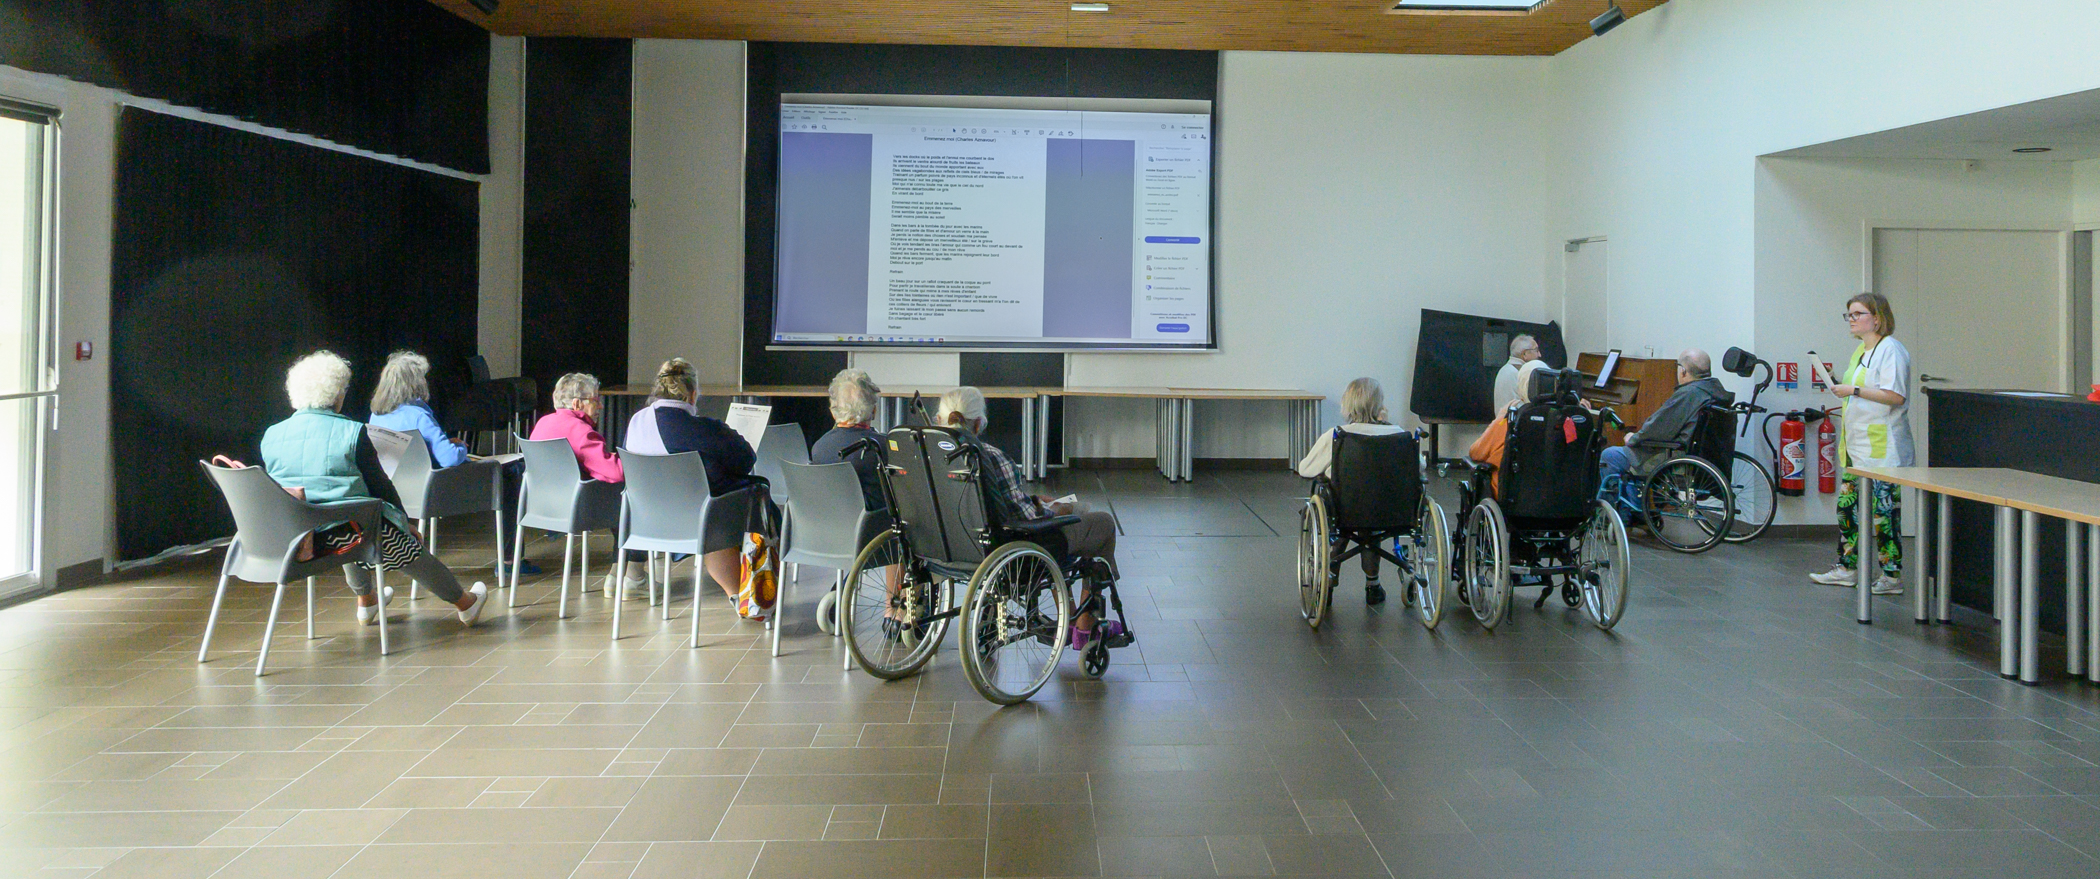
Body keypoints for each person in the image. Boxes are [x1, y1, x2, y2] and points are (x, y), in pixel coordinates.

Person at [260, 351, 489, 626]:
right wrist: (404, 522)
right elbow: (380, 485)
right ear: (337, 393)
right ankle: (465, 603)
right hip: (345, 533)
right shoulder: (353, 432)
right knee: (397, 541)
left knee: (339, 515)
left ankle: (367, 601)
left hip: (294, 536)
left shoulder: (271, 435)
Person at [939, 387, 1123, 645]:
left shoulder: (931, 459)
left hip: (949, 548)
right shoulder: (991, 457)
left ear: (940, 420)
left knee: (1060, 530)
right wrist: (1058, 509)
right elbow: (1027, 519)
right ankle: (1085, 625)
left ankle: (1070, 616)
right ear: (979, 423)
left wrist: (1033, 500)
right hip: (1011, 550)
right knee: (1102, 523)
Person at [611, 358, 769, 610]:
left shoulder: (636, 422)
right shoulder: (704, 429)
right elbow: (745, 460)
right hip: (697, 522)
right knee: (740, 500)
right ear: (693, 394)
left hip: (643, 520)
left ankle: (738, 594)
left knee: (710, 506)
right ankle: (744, 593)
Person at [369, 351, 537, 576]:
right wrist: (461, 447)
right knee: (512, 471)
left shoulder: (376, 417)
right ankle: (510, 560)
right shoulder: (419, 415)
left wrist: (447, 445)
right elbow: (450, 458)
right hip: (437, 490)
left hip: (398, 491)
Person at [1809, 293, 1912, 595]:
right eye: (1849, 315)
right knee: (1847, 510)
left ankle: (1891, 576)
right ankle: (1846, 568)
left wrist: (1853, 389)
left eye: (1857, 314)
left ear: (1877, 319)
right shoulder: (1860, 351)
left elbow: (1895, 396)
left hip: (1884, 450)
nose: (1851, 320)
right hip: (1857, 447)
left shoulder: (1891, 350)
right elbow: (1858, 390)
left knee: (1884, 515)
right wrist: (1836, 383)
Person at [1296, 377, 1407, 605]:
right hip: (1390, 510)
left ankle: (1330, 579)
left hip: (1346, 509)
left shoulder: (1337, 436)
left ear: (1347, 404)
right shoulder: (1399, 434)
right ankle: (1373, 584)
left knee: (1339, 514)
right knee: (1372, 526)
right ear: (1380, 405)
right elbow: (1419, 467)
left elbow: (1305, 469)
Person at [1599, 348, 1731, 486]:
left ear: (1683, 371)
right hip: (1703, 458)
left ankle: (1626, 500)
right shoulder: (1716, 391)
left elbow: (1657, 429)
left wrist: (1633, 438)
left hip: (1675, 456)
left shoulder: (1689, 394)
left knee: (1610, 455)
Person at [1468, 359, 1552, 499]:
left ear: (1522, 386)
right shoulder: (1563, 420)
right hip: (1556, 498)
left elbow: (1476, 452)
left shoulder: (1511, 419)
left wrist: (1500, 417)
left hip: (1514, 497)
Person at [530, 372, 623, 484]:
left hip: (540, 493)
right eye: (595, 400)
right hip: (577, 494)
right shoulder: (582, 432)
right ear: (577, 404)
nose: (601, 406)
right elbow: (617, 473)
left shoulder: (542, 423)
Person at [1493, 334, 1542, 414]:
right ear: (1524, 354)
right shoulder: (1516, 373)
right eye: (1536, 350)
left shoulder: (1507, 370)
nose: (1539, 355)